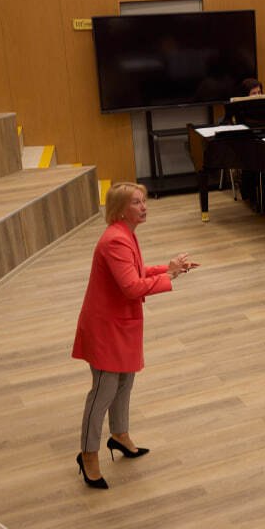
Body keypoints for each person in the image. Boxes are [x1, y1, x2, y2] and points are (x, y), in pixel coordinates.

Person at [72, 183, 194, 490]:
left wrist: (168, 268)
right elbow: (131, 287)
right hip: (106, 329)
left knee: (125, 382)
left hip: (120, 325)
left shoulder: (125, 234)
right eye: (137, 202)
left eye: (144, 201)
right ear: (120, 209)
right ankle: (88, 454)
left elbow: (135, 272)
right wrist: (168, 276)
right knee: (103, 391)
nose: (144, 206)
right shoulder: (115, 240)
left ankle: (119, 435)